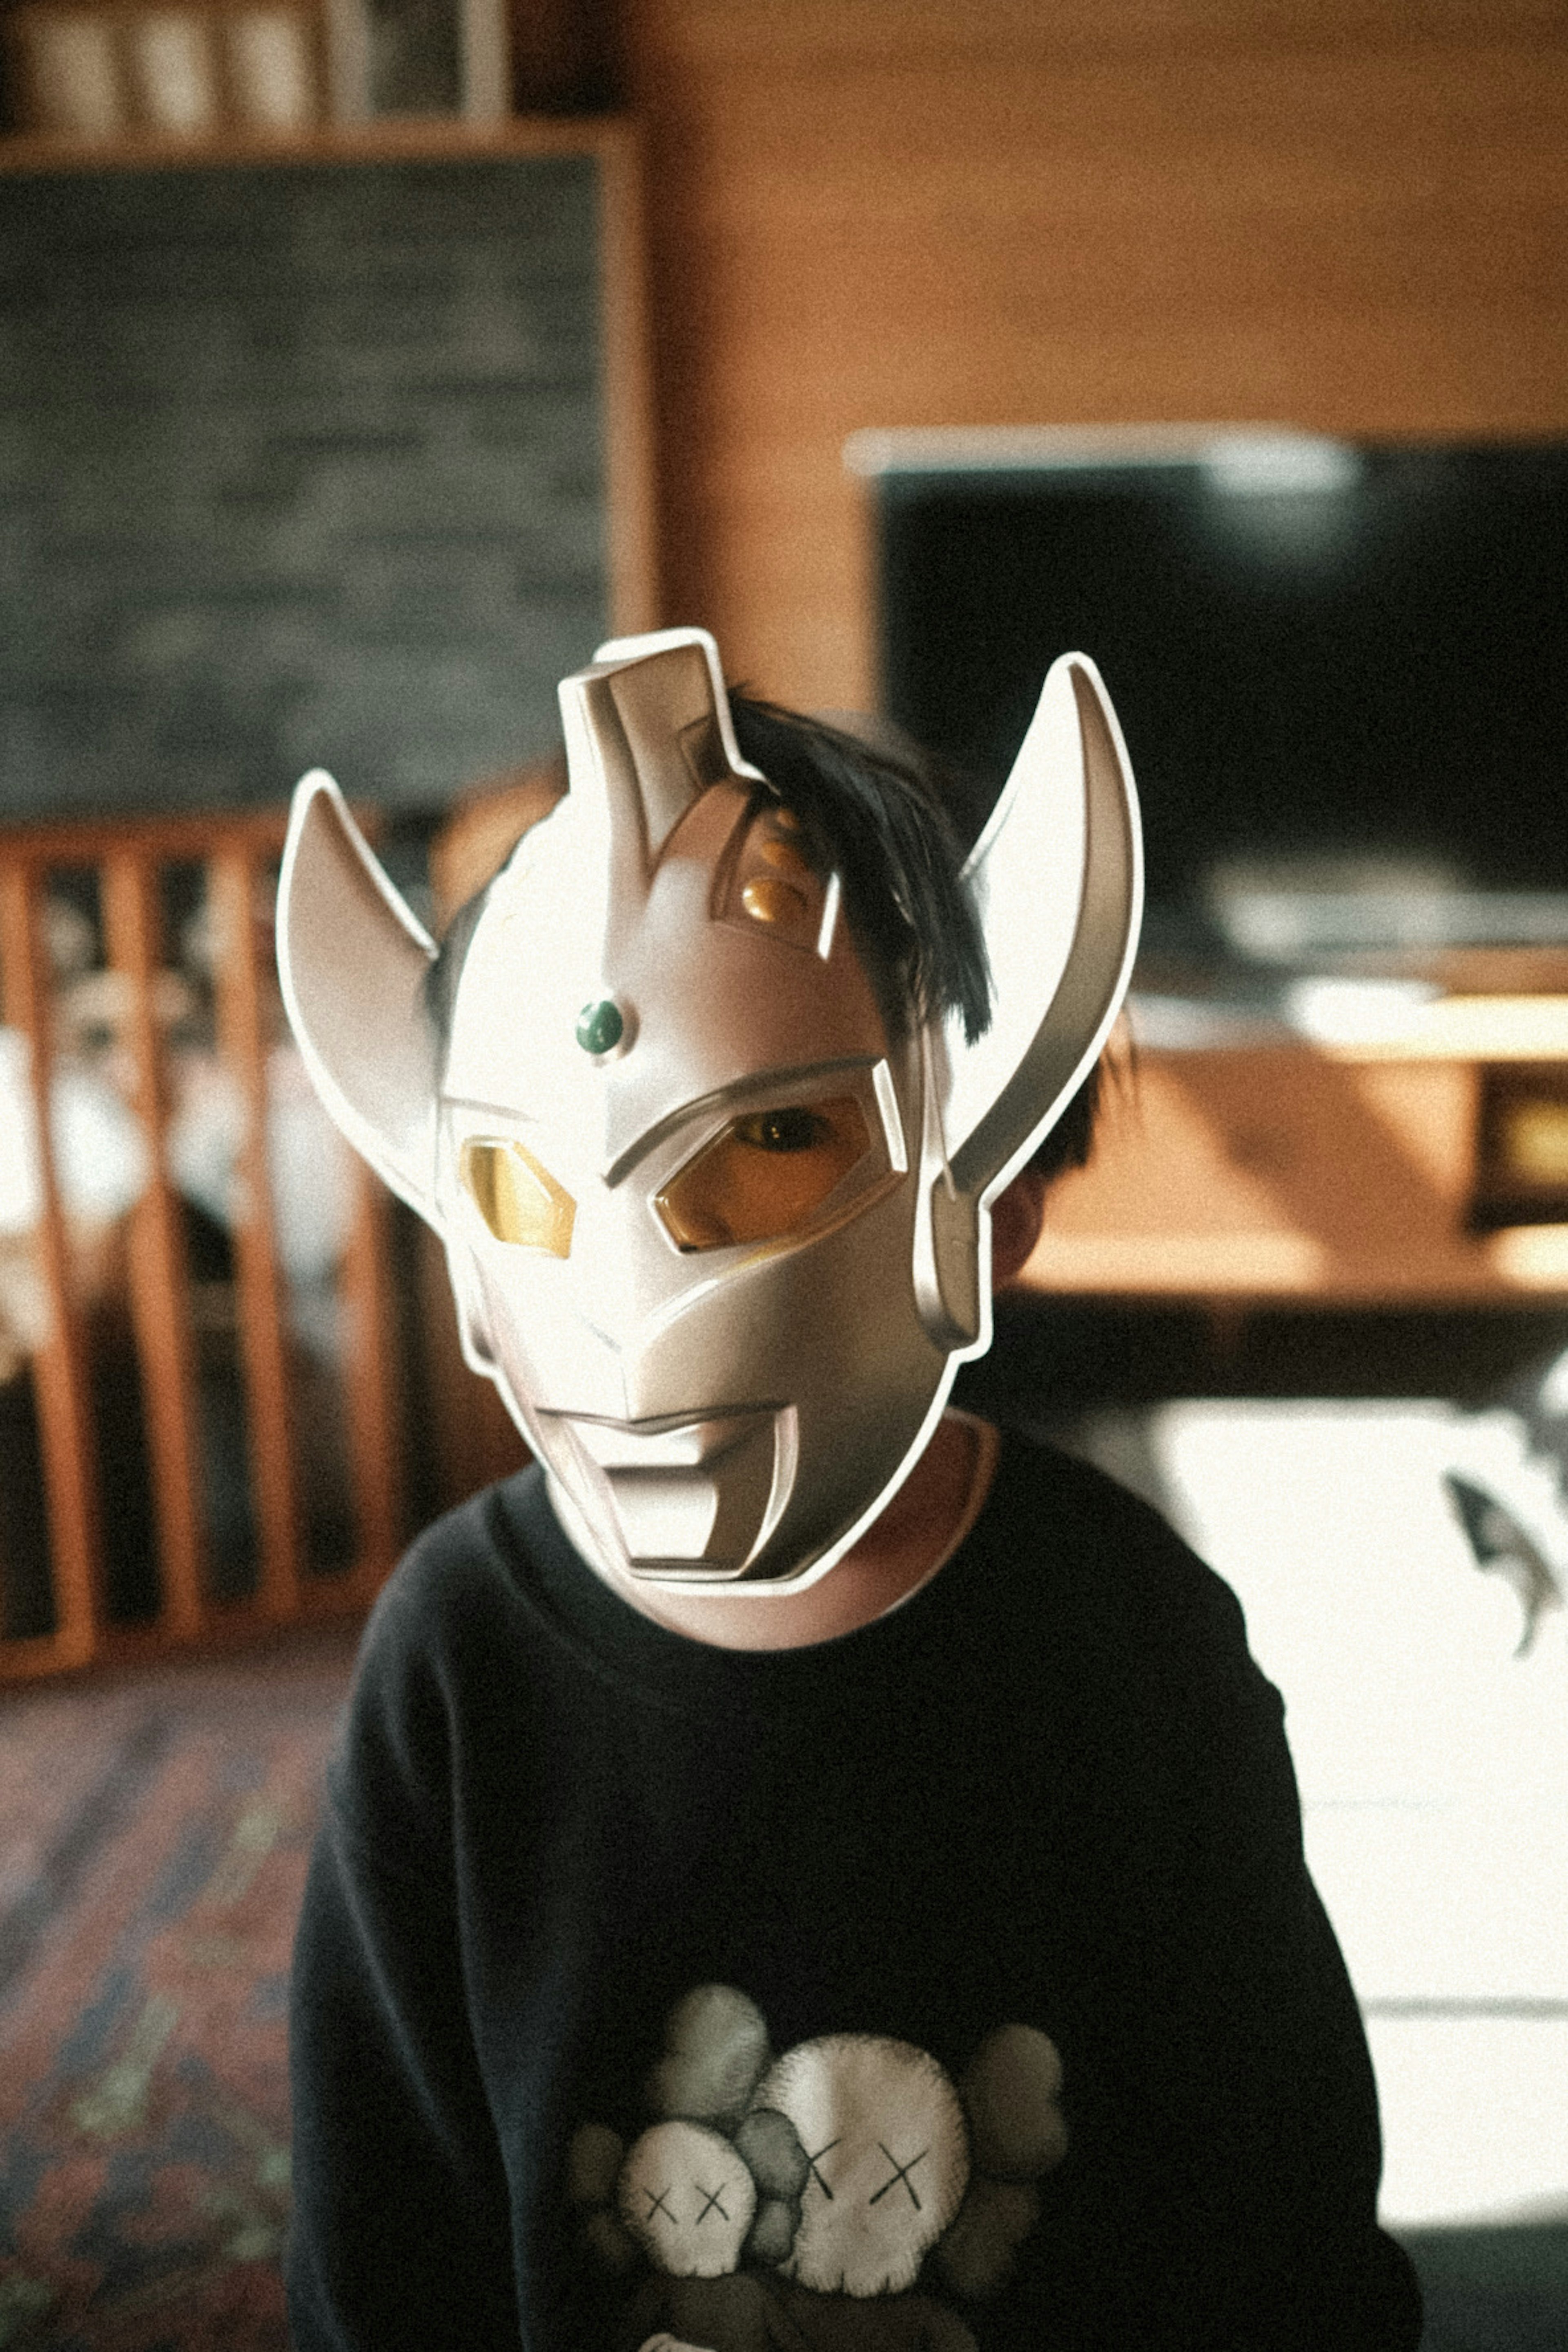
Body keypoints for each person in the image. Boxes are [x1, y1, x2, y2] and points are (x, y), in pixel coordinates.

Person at [279, 629, 1422, 2352]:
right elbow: (381, 2227)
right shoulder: (455, 1663)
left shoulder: (1127, 1639)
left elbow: (1275, 2196)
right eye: (530, 1185)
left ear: (991, 1206)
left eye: (770, 1144)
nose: (629, 1285)